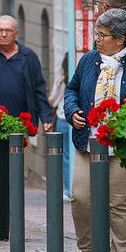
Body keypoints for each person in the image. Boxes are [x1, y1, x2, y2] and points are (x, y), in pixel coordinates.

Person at [64, 9, 126, 252]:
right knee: (80, 197)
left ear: (120, 39)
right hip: (88, 141)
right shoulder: (88, 61)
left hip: (120, 146)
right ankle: (88, 248)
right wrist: (72, 111)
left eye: (102, 35)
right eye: (97, 33)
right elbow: (72, 90)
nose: (97, 39)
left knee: (119, 204)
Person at [0, 14, 53, 240]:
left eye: (8, 30)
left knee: (9, 178)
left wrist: (46, 116)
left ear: (16, 33)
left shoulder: (28, 57)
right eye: (0, 30)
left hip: (16, 130)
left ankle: (5, 229)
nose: (4, 34)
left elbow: (39, 89)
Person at [48, 52, 73, 200]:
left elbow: (53, 100)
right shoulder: (77, 77)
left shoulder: (62, 80)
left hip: (63, 118)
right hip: (76, 119)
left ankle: (69, 189)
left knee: (66, 156)